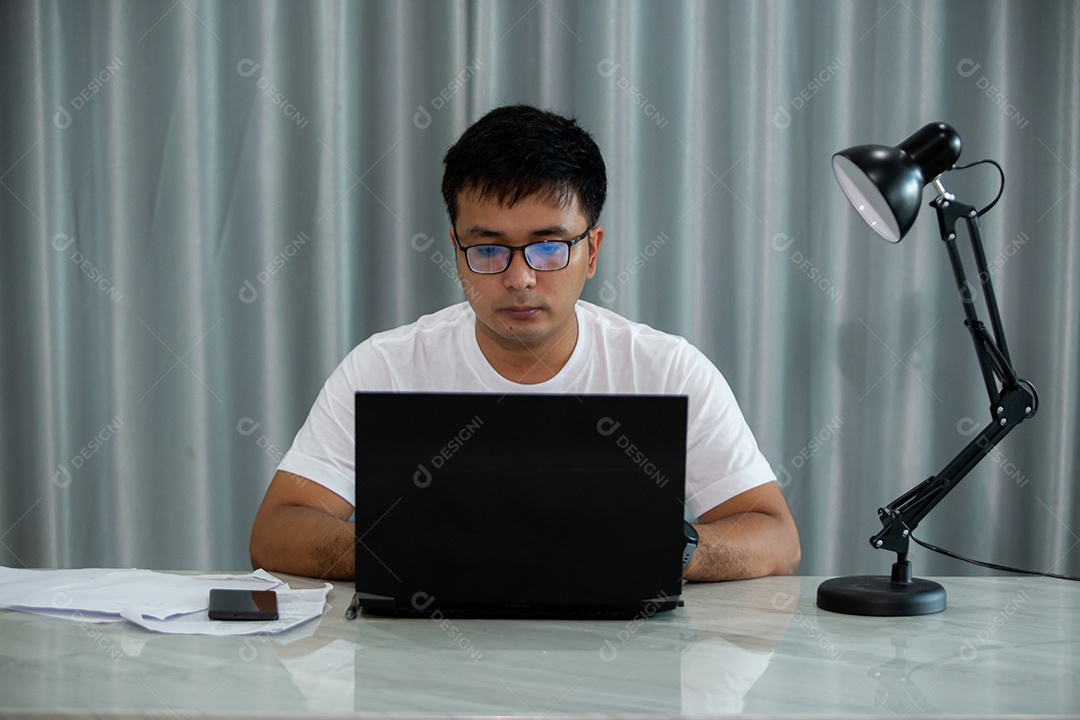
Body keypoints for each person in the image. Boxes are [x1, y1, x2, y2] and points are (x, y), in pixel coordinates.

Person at [250, 105, 800, 582]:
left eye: (549, 248)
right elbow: (277, 530)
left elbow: (777, 540)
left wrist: (661, 548)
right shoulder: (386, 366)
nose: (520, 279)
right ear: (455, 249)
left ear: (592, 251)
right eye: (488, 250)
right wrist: (408, 551)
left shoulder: (668, 370)